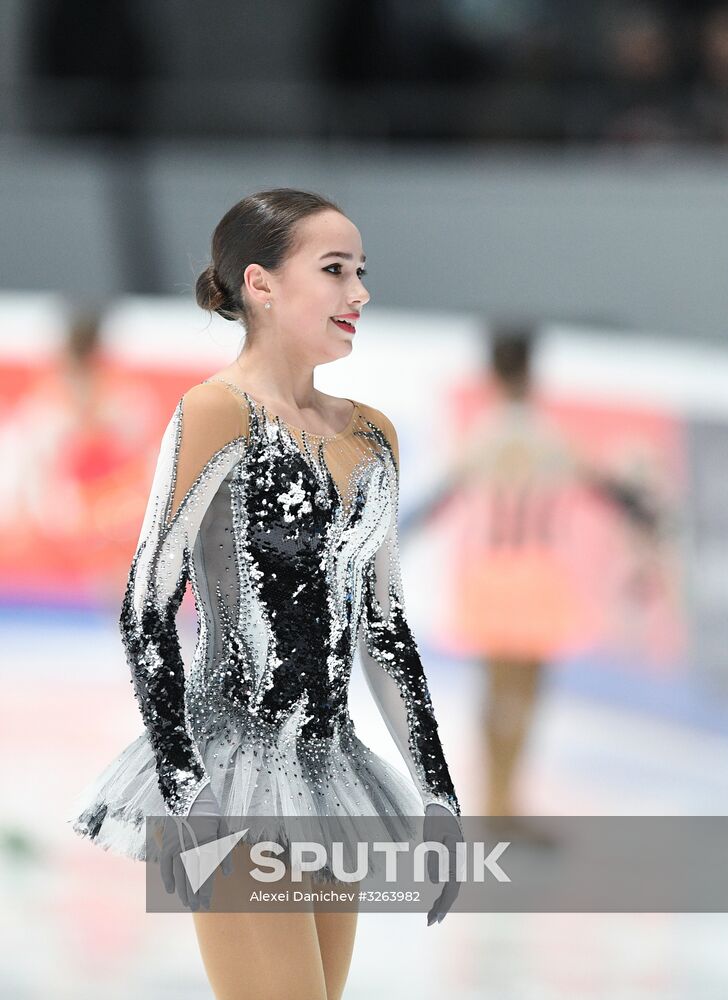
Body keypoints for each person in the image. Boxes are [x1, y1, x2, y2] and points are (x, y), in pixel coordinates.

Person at [68, 189, 462, 1000]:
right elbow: (146, 607)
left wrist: (438, 792)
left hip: (328, 774)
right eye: (334, 271)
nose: (359, 293)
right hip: (230, 777)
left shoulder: (372, 433)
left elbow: (383, 626)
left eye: (361, 272)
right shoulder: (216, 413)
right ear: (261, 283)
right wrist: (187, 792)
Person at [400, 326, 662, 835]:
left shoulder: (486, 434)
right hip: (537, 575)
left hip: (494, 576)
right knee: (524, 691)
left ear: (493, 372)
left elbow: (438, 499)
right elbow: (606, 488)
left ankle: (495, 798)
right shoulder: (547, 436)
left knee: (497, 691)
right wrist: (642, 512)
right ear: (531, 370)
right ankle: (503, 801)